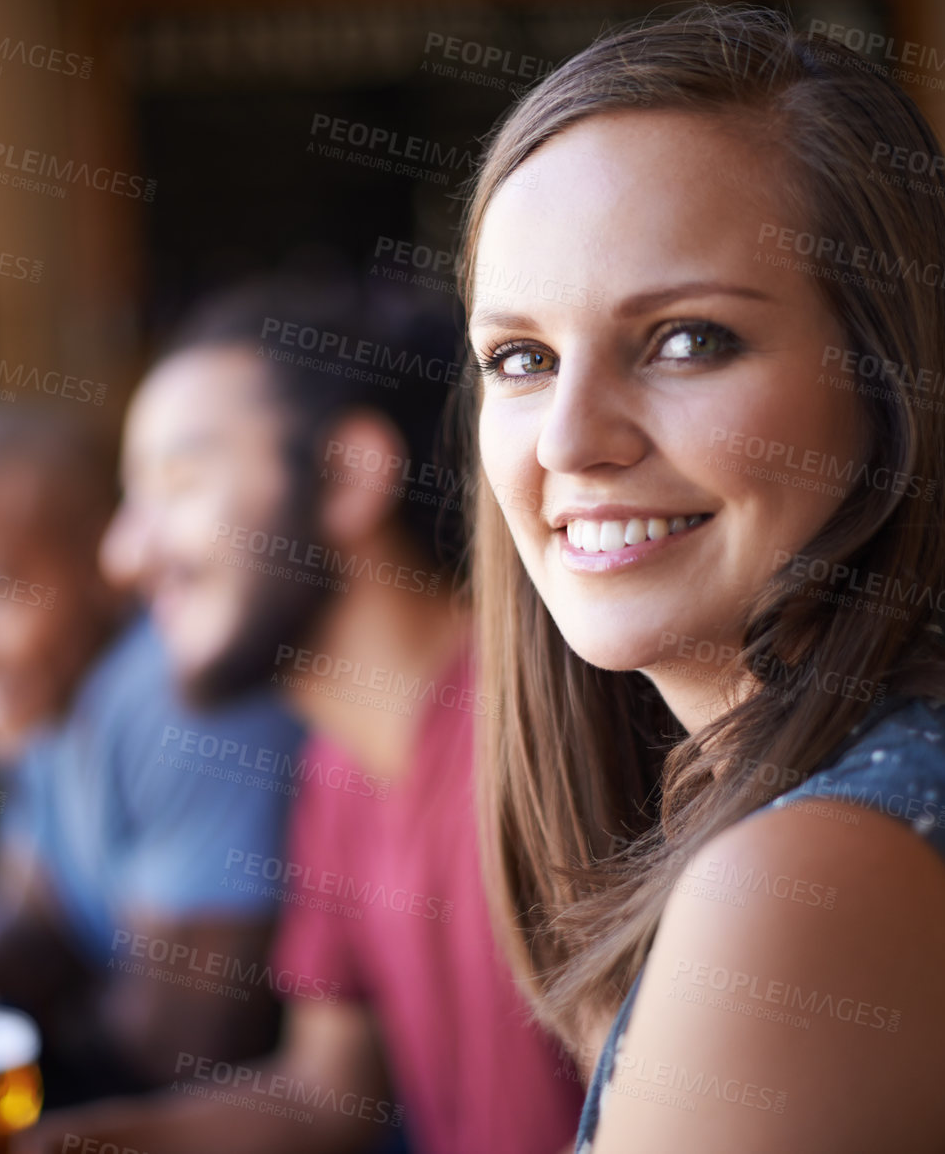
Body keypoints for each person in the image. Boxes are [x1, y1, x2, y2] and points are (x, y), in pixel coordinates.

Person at [460, 7, 945, 1153]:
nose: (567, 439)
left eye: (687, 340)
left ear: (893, 379)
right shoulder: (924, 783)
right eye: (521, 358)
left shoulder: (822, 878)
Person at [29, 278, 583, 1154]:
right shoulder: (340, 764)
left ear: (346, 476)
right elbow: (327, 1094)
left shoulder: (547, 742)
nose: (122, 555)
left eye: (178, 483)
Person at [0, 405, 304, 1107]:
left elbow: (172, 1048)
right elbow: (35, 934)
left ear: (103, 558)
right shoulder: (51, 707)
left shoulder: (177, 696)